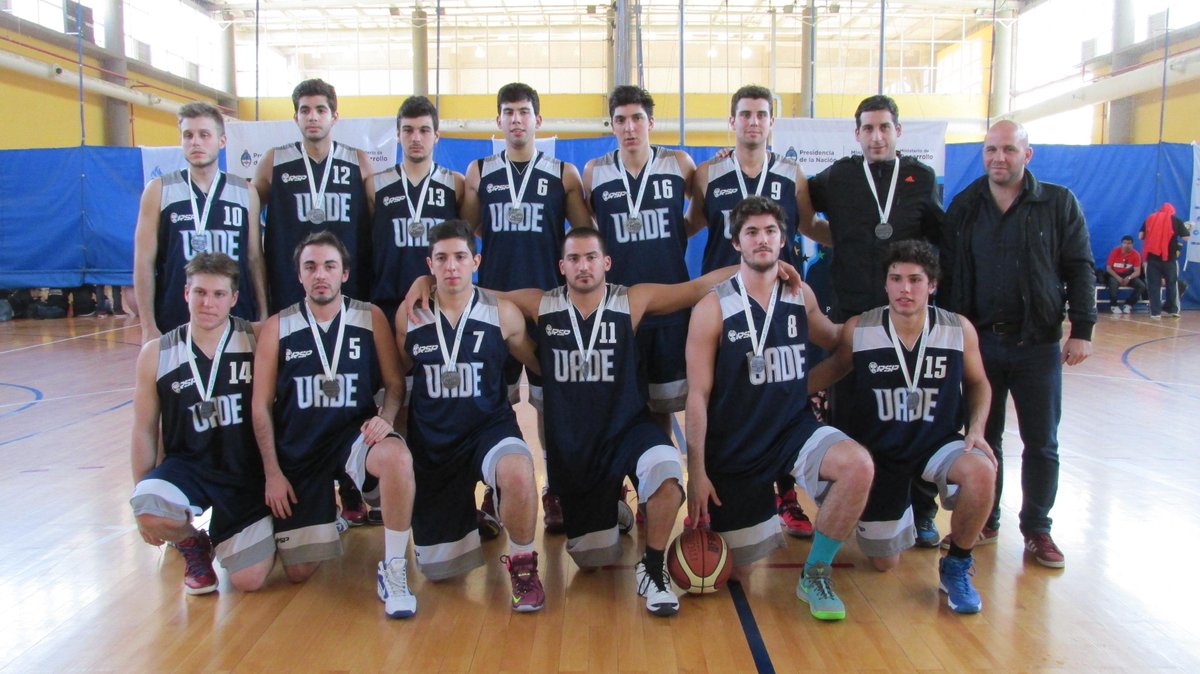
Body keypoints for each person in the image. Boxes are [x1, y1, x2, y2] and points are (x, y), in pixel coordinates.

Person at [685, 196, 874, 621]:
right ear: (736, 243)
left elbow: (837, 342)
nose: (762, 239)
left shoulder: (800, 293)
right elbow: (696, 396)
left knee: (858, 465)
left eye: (770, 231)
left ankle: (816, 571)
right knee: (733, 575)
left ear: (784, 239)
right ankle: (726, 521)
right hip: (736, 445)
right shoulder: (712, 308)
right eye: (751, 232)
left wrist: (874, 327)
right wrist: (695, 471)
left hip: (793, 429)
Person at [809, 240, 997, 614]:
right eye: (896, 279)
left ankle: (956, 564)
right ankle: (897, 515)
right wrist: (775, 400)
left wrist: (976, 429)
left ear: (932, 285)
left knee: (982, 470)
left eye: (915, 280)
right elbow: (828, 372)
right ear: (886, 284)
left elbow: (978, 383)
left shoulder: (958, 330)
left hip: (937, 442)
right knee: (883, 564)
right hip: (880, 453)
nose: (904, 289)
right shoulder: (859, 329)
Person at [940, 120, 1096, 569]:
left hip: (1038, 345)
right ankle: (986, 519)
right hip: (981, 344)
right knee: (983, 438)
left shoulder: (1057, 203)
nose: (998, 158)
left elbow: (1080, 266)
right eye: (991, 150)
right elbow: (948, 276)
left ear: (1027, 155)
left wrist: (1082, 328)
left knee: (1041, 442)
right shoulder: (966, 205)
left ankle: (1038, 528)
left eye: (1008, 149)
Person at [250, 231, 419, 618]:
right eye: (310, 267)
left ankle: (393, 568)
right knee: (298, 571)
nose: (320, 274)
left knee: (397, 457)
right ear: (299, 276)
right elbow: (260, 406)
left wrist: (385, 419)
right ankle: (330, 514)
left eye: (329, 266)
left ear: (345, 273)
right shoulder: (278, 327)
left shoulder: (370, 316)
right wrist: (273, 473)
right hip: (300, 449)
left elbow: (395, 385)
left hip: (352, 438)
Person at [804, 94, 946, 546]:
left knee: (913, 417)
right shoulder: (840, 176)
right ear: (857, 133)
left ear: (898, 131)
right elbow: (800, 202)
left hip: (906, 320)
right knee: (849, 413)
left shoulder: (921, 178)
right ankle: (845, 503)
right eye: (868, 128)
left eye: (885, 127)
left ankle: (921, 510)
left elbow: (933, 242)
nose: (877, 136)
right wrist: (839, 240)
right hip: (851, 316)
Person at [461, 82, 592, 534]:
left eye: (523, 111)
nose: (516, 119)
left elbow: (585, 239)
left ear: (538, 119)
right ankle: (495, 494)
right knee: (489, 402)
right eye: (507, 112)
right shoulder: (480, 172)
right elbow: (463, 235)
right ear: (498, 121)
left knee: (550, 404)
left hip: (548, 309)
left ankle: (554, 489)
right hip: (492, 309)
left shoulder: (564, 174)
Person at [688, 84, 819, 538]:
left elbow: (805, 226)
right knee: (727, 393)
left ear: (771, 122)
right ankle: (722, 477)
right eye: (744, 114)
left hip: (777, 295)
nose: (753, 122)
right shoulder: (706, 174)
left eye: (761, 114)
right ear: (732, 120)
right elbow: (689, 225)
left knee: (781, 385)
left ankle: (785, 492)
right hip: (726, 298)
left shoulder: (793, 175)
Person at [395, 220, 546, 612]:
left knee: (517, 470)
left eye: (460, 257)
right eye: (442, 258)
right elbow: (398, 376)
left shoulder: (503, 314)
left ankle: (525, 564)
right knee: (440, 572)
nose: (451, 267)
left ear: (475, 261)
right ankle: (475, 513)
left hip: (487, 428)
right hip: (433, 443)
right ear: (429, 263)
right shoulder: (410, 316)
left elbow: (538, 365)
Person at [129, 252, 273, 595]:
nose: (208, 303)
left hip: (244, 472)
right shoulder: (157, 353)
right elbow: (144, 428)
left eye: (219, 294)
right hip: (188, 466)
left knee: (249, 581)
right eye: (200, 293)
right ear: (186, 293)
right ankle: (193, 542)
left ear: (234, 298)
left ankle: (257, 529)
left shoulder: (257, 339)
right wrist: (141, 490)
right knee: (147, 507)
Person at [583, 84, 696, 430]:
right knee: (616, 403)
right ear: (612, 125)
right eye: (621, 120)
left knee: (664, 406)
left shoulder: (679, 163)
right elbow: (591, 228)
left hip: (670, 303)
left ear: (651, 122)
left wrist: (675, 235)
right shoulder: (594, 171)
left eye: (637, 118)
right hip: (619, 306)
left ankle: (666, 477)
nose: (629, 127)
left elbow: (702, 213)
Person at [134, 102, 266, 342]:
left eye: (204, 135)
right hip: (176, 316)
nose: (195, 142)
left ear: (222, 141)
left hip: (238, 316)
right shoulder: (159, 190)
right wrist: (147, 326)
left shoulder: (245, 192)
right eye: (188, 135)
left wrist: (264, 312)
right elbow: (144, 262)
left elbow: (254, 258)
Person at [253, 79, 374, 314]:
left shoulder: (358, 161)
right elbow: (246, 219)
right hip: (289, 286)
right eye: (305, 110)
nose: (312, 117)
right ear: (295, 117)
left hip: (349, 285)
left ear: (334, 116)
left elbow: (377, 225)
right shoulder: (273, 162)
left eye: (321, 110)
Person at [371, 95, 464, 329]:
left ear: (436, 136)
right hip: (388, 299)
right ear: (397, 134)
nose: (415, 138)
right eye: (408, 130)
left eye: (424, 130)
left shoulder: (455, 183)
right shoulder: (375, 185)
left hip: (439, 298)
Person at [1139, 203, 1190, 319]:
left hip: (1152, 259)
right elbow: (1186, 237)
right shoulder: (1176, 220)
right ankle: (1173, 310)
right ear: (1172, 211)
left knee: (1153, 286)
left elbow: (1140, 236)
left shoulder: (1150, 218)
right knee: (1172, 284)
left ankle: (1155, 312)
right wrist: (1187, 229)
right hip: (1170, 259)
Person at [1103, 235, 1145, 314]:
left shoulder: (1136, 255)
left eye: (1129, 243)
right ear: (1121, 244)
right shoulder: (1115, 252)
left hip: (1128, 275)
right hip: (1115, 274)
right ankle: (1114, 305)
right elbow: (1109, 268)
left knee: (1141, 286)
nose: (1127, 245)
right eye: (1125, 243)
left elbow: (1137, 272)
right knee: (1112, 283)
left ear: (1132, 245)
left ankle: (1129, 304)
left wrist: (1129, 278)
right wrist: (1118, 278)